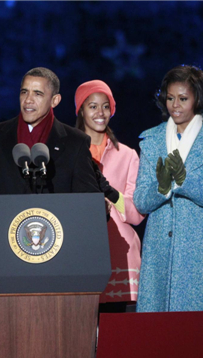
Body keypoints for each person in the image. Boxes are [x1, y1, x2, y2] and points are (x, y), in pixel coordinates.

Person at [133, 65, 203, 312]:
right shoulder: (152, 139)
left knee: (200, 332)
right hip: (161, 248)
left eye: (183, 99)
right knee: (159, 333)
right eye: (170, 98)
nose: (175, 105)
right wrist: (162, 187)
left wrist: (185, 181)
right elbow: (140, 201)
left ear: (198, 99)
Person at [0, 67, 100, 234]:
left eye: (38, 94)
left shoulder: (75, 142)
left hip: (56, 241)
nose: (28, 100)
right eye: (24, 92)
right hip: (1, 235)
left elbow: (87, 199)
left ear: (55, 100)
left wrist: (100, 207)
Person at [74, 80, 145, 311]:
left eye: (105, 106)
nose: (100, 112)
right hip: (78, 253)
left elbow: (136, 214)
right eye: (92, 106)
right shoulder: (66, 154)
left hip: (119, 254)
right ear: (81, 110)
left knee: (115, 339)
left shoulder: (128, 155)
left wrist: (112, 194)